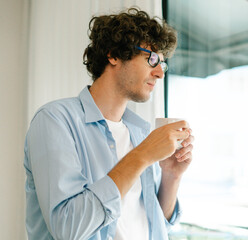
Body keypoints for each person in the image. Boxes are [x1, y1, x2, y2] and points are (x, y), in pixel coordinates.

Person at [23, 8, 194, 240]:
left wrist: (171, 176)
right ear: (114, 55)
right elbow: (68, 229)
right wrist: (142, 155)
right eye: (151, 58)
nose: (159, 73)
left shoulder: (141, 132)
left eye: (162, 64)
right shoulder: (54, 121)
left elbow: (154, 222)